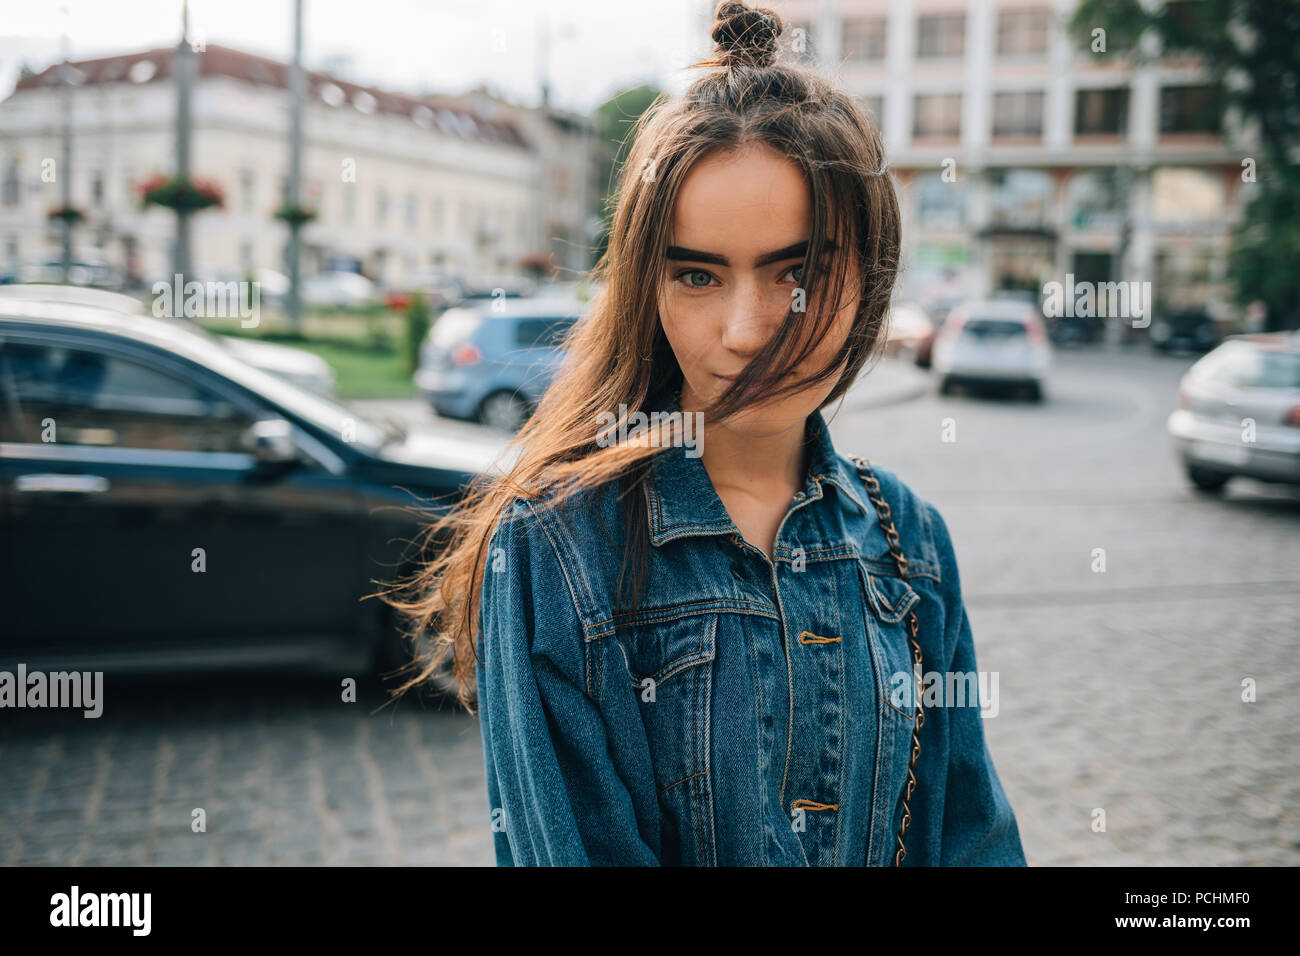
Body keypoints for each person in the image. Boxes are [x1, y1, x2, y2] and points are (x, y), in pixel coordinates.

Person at [382, 0, 1026, 867]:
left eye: (797, 272)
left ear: (870, 277)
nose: (747, 330)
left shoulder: (912, 542)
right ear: (649, 288)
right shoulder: (554, 549)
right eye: (697, 275)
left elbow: (972, 839)